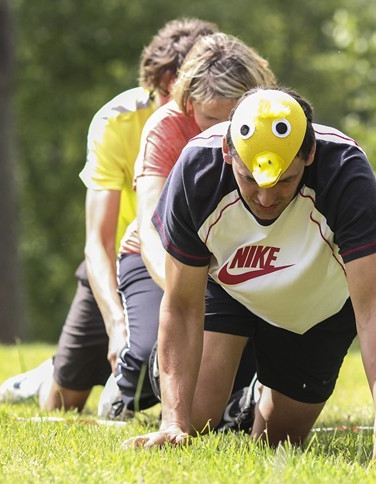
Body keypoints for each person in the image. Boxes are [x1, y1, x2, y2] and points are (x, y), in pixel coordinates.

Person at [122, 87, 376, 465]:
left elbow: (375, 306)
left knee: (278, 441)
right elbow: (180, 306)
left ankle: (250, 399)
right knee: (193, 417)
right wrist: (172, 422)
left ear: (308, 155)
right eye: (249, 179)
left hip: (317, 308)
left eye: (284, 181)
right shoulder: (198, 167)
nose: (265, 198)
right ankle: (208, 394)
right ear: (229, 154)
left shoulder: (345, 170)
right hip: (231, 287)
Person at [0, 18, 218, 415]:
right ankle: (44, 377)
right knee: (63, 402)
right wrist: (115, 324)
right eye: (164, 94)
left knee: (160, 365)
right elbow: (98, 242)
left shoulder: (220, 122)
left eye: (183, 95)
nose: (173, 107)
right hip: (121, 267)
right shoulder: (117, 120)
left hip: (190, 261)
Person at [111, 32, 277, 422]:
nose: (220, 132)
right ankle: (127, 382)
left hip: (234, 263)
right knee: (157, 348)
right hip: (163, 259)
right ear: (187, 102)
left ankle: (240, 392)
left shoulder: (275, 122)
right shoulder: (164, 129)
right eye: (209, 119)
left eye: (234, 119)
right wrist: (189, 298)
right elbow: (152, 228)